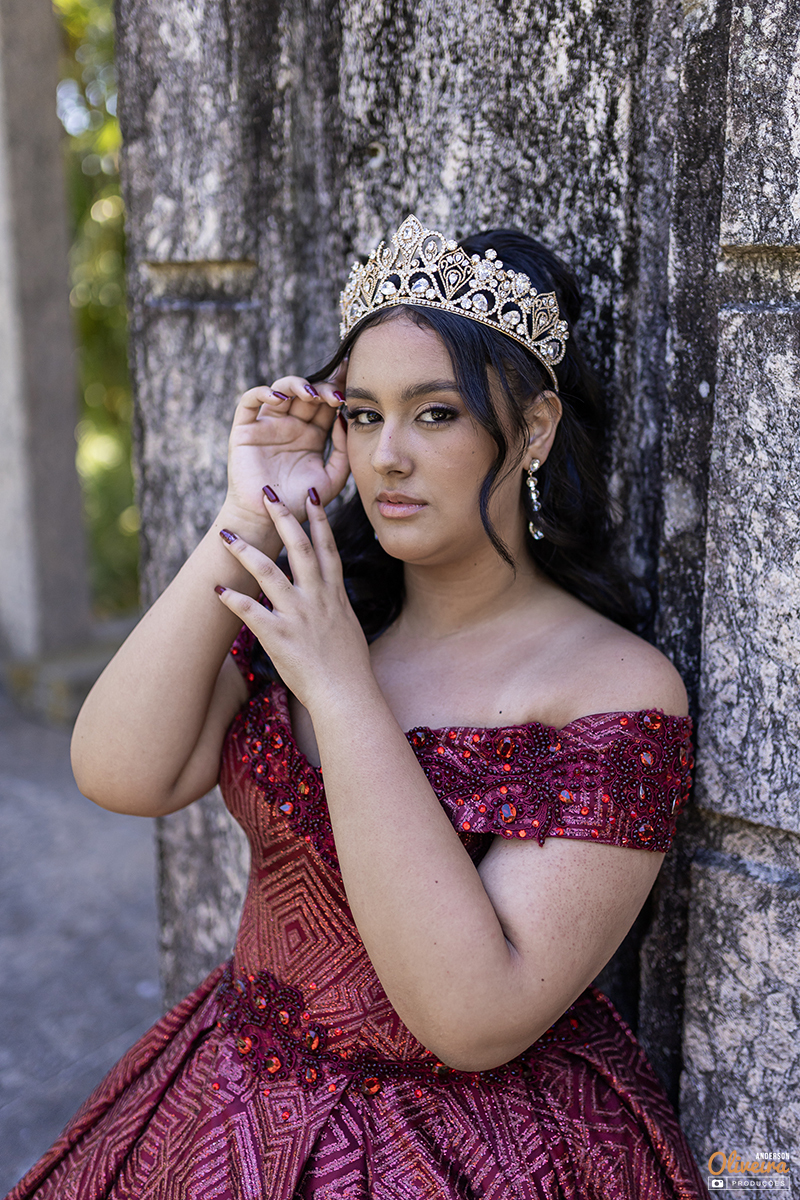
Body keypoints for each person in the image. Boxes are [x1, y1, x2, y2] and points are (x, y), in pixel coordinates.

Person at [9, 215, 710, 1199]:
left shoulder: (612, 690)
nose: (386, 457)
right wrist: (248, 515)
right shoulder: (319, 607)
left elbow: (474, 1018)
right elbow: (123, 772)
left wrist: (340, 691)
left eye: (435, 414)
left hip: (471, 1146)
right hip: (229, 1101)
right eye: (365, 415)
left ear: (534, 429)